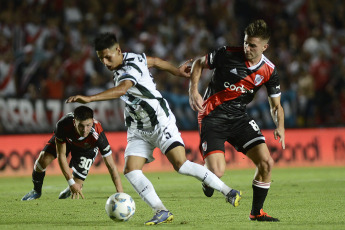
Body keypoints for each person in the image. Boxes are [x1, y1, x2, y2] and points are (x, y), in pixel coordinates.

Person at [66, 32, 242, 226]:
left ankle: (228, 191)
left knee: (181, 165)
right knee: (131, 171)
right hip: (138, 128)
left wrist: (90, 98)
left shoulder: (129, 67)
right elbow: (155, 61)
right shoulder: (134, 57)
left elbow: (122, 89)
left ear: (118, 50)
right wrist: (176, 71)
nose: (105, 62)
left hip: (159, 121)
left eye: (108, 57)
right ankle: (161, 211)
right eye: (101, 59)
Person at [188, 19, 285, 222]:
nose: (247, 48)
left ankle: (257, 212)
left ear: (265, 47)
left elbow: (276, 106)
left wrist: (280, 126)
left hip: (239, 117)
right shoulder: (227, 54)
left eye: (253, 45)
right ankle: (208, 178)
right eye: (246, 42)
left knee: (267, 162)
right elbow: (198, 63)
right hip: (212, 115)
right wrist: (193, 90)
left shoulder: (269, 71)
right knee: (217, 172)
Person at [21, 105, 123, 200]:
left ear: (92, 121)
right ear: (74, 122)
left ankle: (70, 189)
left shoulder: (98, 133)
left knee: (77, 185)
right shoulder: (63, 125)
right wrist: (70, 182)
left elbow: (111, 166)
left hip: (86, 149)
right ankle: (36, 191)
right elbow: (61, 156)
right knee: (43, 160)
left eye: (88, 125)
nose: (84, 130)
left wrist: (120, 193)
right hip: (67, 141)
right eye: (81, 126)